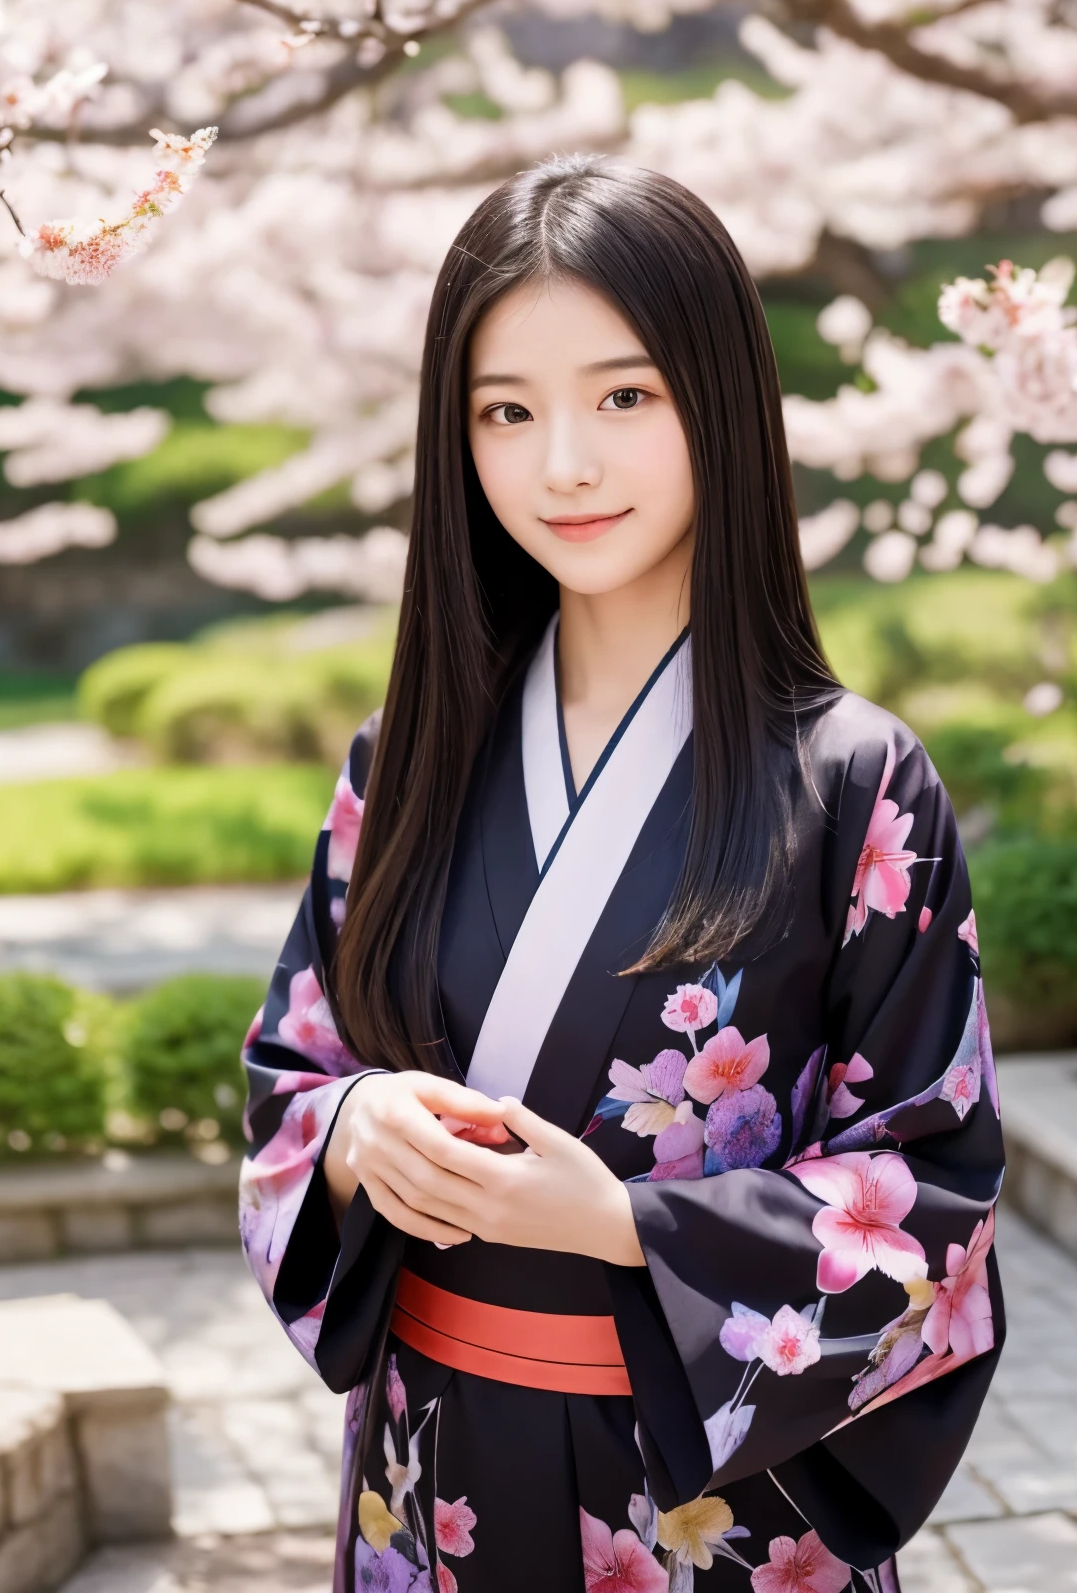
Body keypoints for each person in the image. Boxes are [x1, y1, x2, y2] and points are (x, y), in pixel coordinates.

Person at [239, 156, 1004, 1593]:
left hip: (717, 1507)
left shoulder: (855, 783)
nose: (564, 465)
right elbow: (293, 1065)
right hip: (435, 1474)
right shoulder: (399, 760)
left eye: (625, 397)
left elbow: (934, 1187)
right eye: (506, 413)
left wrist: (622, 1227)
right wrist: (354, 1123)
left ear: (720, 400)